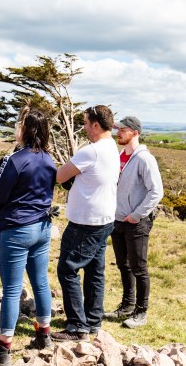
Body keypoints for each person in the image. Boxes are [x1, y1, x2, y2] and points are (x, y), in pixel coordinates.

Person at [0, 107, 57, 366]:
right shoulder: (49, 159)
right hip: (42, 227)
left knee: (11, 290)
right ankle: (44, 336)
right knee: (41, 282)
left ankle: (3, 350)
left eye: (18, 124)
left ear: (25, 129)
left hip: (16, 229)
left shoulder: (15, 160)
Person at [50, 105, 120, 342]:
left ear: (96, 125)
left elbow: (60, 176)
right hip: (105, 219)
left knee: (67, 269)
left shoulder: (91, 151)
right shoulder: (112, 147)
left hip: (85, 221)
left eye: (86, 123)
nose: (84, 127)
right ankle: (92, 321)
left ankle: (77, 327)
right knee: (95, 271)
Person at [104, 116, 163, 328]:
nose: (118, 132)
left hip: (137, 222)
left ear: (135, 133)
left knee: (139, 267)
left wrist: (137, 214)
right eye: (117, 129)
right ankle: (126, 306)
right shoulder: (121, 156)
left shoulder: (144, 159)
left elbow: (156, 191)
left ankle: (141, 312)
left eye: (123, 129)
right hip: (118, 219)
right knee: (124, 266)